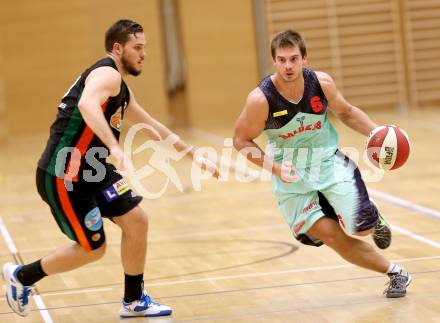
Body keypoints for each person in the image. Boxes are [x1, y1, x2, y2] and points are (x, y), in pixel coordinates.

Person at [2, 19, 219, 318]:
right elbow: (87, 105)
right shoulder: (106, 73)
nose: (144, 54)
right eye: (137, 47)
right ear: (118, 48)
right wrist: (116, 148)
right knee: (93, 249)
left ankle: (133, 300)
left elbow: (151, 126)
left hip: (93, 170)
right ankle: (22, 276)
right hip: (64, 173)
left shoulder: (120, 88)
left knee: (137, 220)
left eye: (145, 48)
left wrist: (194, 155)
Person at [233, 30, 411, 298]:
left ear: (305, 58)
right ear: (274, 62)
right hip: (291, 176)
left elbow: (347, 113)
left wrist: (379, 135)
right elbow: (240, 140)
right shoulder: (261, 100)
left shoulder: (321, 84)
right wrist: (275, 168)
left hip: (327, 162)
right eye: (282, 60)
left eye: (294, 58)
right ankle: (396, 273)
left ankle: (373, 218)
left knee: (360, 228)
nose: (288, 66)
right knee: (331, 236)